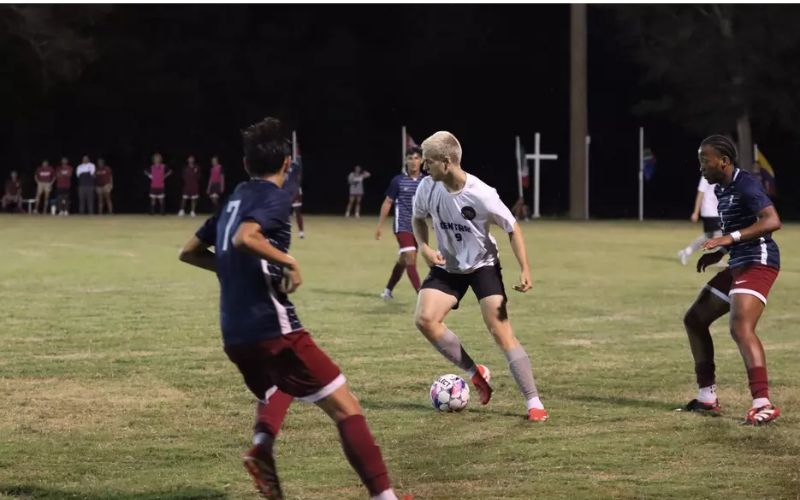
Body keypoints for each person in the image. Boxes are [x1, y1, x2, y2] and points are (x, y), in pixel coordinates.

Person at [178, 117, 404, 500]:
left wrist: (236, 268)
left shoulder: (234, 196)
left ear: (246, 164)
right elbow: (245, 237)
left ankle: (262, 445)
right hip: (273, 326)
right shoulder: (274, 196)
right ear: (286, 165)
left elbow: (189, 253)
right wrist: (289, 261)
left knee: (279, 386)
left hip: (234, 332)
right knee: (346, 407)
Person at [411, 131, 548, 422]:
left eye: (429, 162)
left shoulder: (482, 194)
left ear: (446, 162)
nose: (424, 167)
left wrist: (525, 268)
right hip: (448, 266)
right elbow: (418, 219)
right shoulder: (427, 187)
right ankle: (476, 374)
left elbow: (512, 227)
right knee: (425, 320)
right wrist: (424, 247)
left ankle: (533, 401)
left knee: (500, 330)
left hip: (483, 265)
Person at [682, 135, 782, 425]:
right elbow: (738, 228)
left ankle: (763, 403)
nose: (700, 166)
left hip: (758, 262)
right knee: (695, 319)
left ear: (723, 161)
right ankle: (706, 397)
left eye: (704, 159)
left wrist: (729, 238)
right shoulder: (721, 188)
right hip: (738, 261)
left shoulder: (746, 183)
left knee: (740, 327)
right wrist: (721, 251)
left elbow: (771, 220)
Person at [375, 146, 424, 299]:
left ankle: (388, 291)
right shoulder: (398, 181)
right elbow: (387, 202)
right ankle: (421, 295)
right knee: (409, 256)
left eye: (416, 158)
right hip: (402, 225)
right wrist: (379, 226)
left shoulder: (426, 182)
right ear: (406, 161)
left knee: (404, 260)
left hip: (418, 228)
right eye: (410, 158)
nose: (413, 162)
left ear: (421, 160)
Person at [678, 175, 721, 265]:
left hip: (717, 211)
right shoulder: (707, 176)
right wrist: (695, 212)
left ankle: (686, 252)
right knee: (719, 234)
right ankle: (715, 259)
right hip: (709, 211)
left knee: (708, 236)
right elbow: (700, 194)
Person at [283, 158, 304, 238]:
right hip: (285, 191)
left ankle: (301, 232)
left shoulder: (294, 166)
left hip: (294, 191)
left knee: (297, 212)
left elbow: (299, 175)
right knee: (283, 212)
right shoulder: (281, 168)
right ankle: (283, 231)